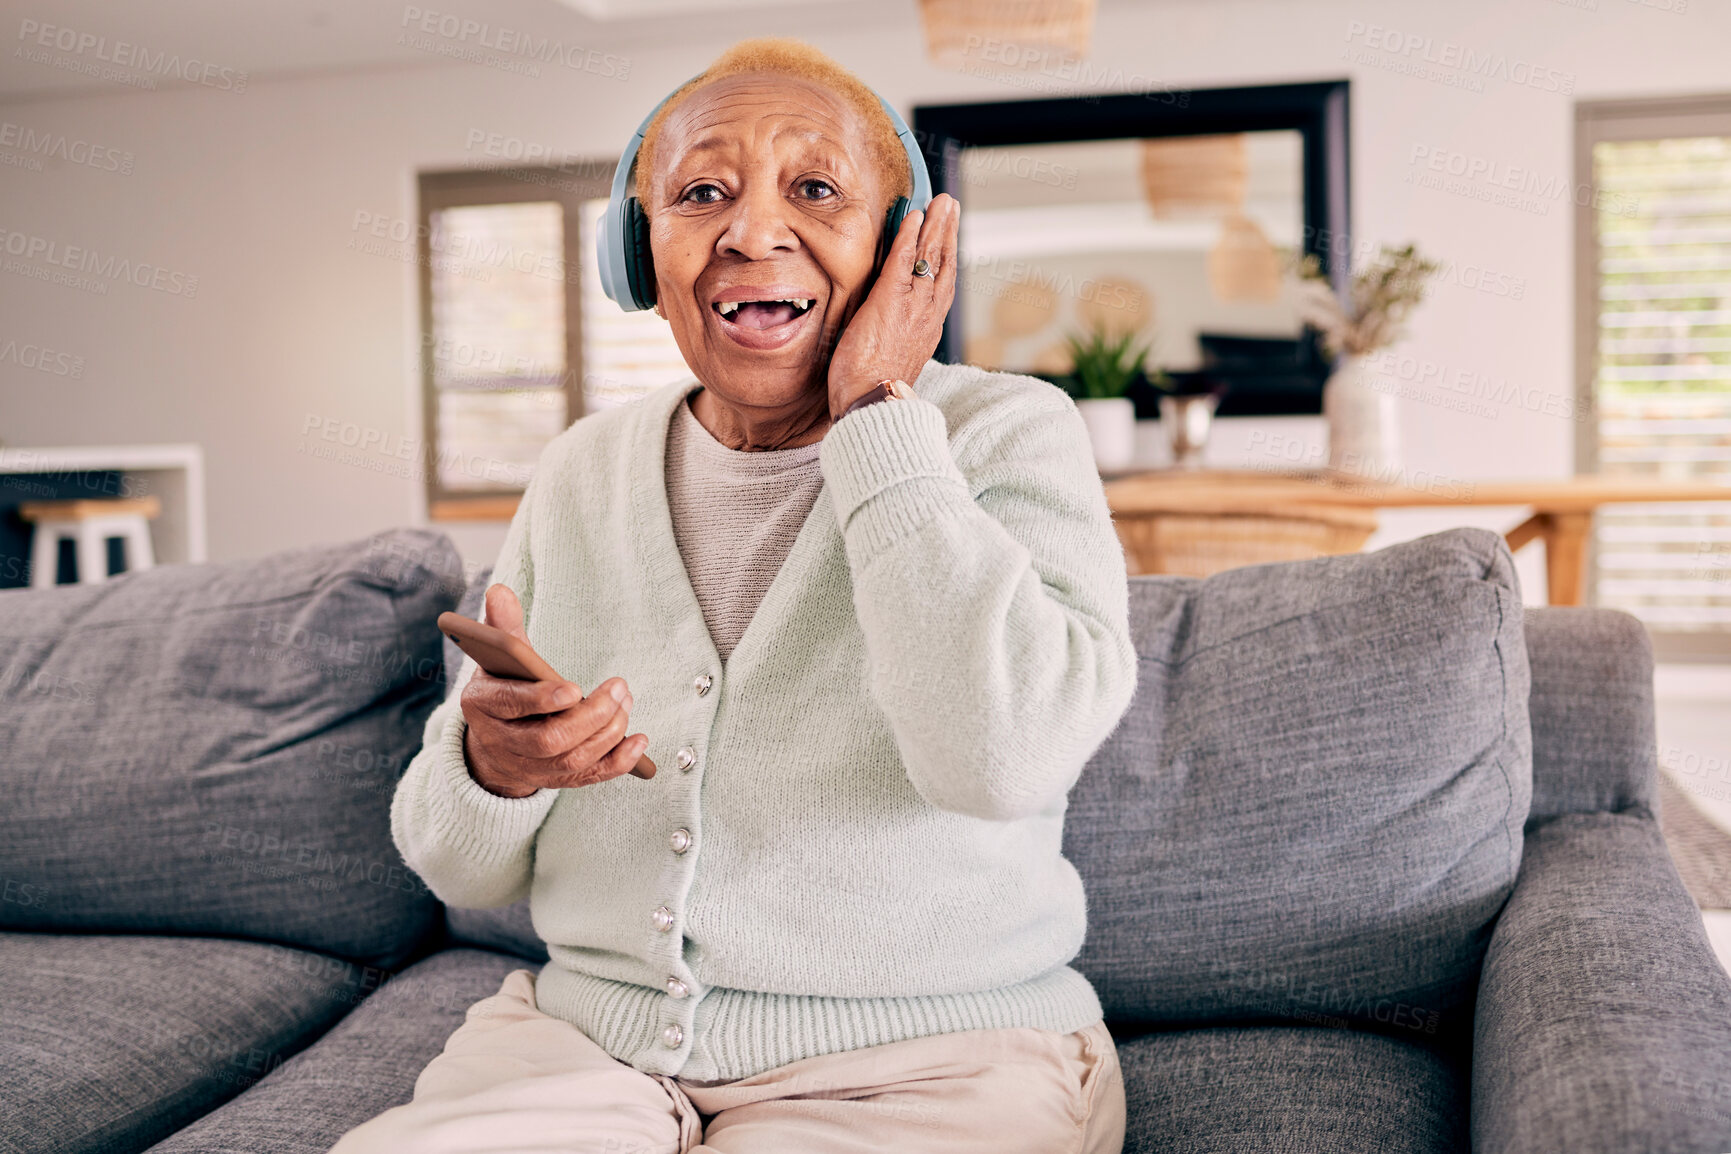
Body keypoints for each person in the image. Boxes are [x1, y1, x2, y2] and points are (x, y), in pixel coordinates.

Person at [332, 36, 1137, 1154]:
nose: (752, 232)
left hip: (930, 1063)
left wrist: (876, 418)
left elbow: (999, 755)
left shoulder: (1008, 431)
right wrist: (494, 770)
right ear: (638, 254)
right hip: (586, 1050)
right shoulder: (582, 470)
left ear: (907, 249)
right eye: (702, 192)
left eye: (815, 189)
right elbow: (456, 861)